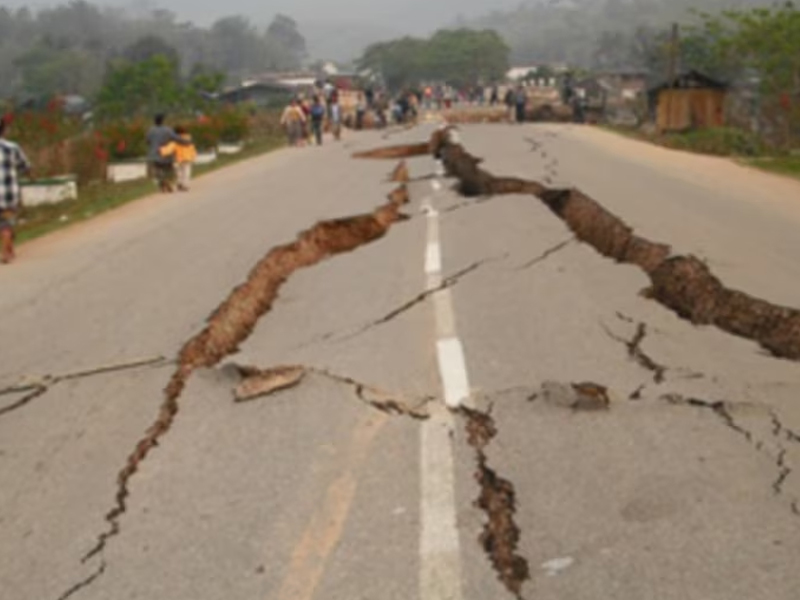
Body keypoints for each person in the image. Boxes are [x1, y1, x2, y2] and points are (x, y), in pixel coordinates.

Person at [0, 118, 31, 264]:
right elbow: (25, 167)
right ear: (4, 129)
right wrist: (31, 177)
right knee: (7, 222)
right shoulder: (12, 147)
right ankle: (6, 251)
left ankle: (8, 248)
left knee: (3, 224)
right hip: (9, 194)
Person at [146, 114, 189, 193]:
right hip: (165, 154)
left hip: (153, 155)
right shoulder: (167, 130)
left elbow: (147, 141)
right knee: (168, 170)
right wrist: (186, 142)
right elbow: (176, 138)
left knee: (157, 171)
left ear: (154, 121)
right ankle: (167, 182)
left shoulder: (150, 130)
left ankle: (162, 183)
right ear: (162, 121)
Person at [160, 125, 196, 191]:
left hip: (177, 159)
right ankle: (185, 185)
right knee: (186, 173)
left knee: (178, 173)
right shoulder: (189, 139)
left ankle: (180, 184)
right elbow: (192, 149)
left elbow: (169, 149)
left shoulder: (175, 141)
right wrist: (193, 157)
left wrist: (161, 151)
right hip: (187, 158)